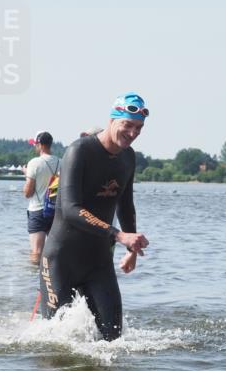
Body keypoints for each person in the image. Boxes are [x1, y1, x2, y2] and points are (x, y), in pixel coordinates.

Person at [38, 92, 150, 341]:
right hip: (61, 259)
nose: (133, 133)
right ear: (112, 120)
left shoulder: (128, 157)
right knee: (56, 341)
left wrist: (131, 251)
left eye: (139, 128)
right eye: (127, 125)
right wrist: (118, 235)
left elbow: (126, 204)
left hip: (98, 261)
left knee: (114, 339)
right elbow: (70, 208)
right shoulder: (80, 151)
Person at [23, 131, 61, 263]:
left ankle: (34, 277)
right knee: (55, 251)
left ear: (40, 145)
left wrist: (27, 174)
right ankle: (52, 277)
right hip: (55, 211)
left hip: (37, 211)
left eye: (35, 144)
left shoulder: (34, 163)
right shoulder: (61, 162)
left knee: (36, 251)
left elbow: (28, 193)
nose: (34, 147)